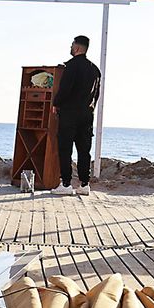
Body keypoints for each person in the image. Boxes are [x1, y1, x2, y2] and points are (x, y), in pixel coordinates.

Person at [52, 34, 101, 196]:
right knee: (84, 150)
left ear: (77, 47)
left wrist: (56, 103)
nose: (71, 47)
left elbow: (65, 89)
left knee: (65, 148)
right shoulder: (95, 70)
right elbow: (96, 94)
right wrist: (90, 108)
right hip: (87, 114)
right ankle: (84, 184)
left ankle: (66, 184)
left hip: (70, 114)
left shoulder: (72, 66)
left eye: (72, 44)